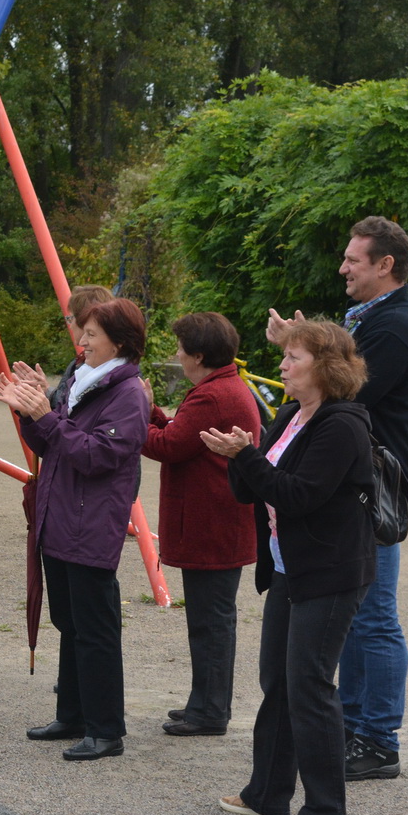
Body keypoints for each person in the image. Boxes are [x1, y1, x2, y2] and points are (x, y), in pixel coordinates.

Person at [202, 319, 374, 815]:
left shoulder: (342, 425)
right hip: (286, 565)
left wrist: (246, 456)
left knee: (309, 684)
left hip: (330, 572)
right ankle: (268, 793)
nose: (282, 364)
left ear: (325, 367)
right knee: (277, 679)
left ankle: (326, 812)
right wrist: (238, 454)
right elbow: (250, 491)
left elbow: (300, 495)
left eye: (293, 358)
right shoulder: (289, 415)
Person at [267, 217, 408, 780]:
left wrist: (301, 347)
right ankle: (358, 727)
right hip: (358, 486)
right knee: (361, 614)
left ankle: (378, 739)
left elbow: (344, 387)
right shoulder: (378, 320)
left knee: (375, 614)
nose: (343, 268)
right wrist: (302, 343)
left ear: (386, 265)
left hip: (375, 490)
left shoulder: (395, 328)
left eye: (354, 260)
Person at [0, 298, 150, 761]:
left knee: (95, 628)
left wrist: (44, 413)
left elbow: (96, 456)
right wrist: (28, 412)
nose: (81, 342)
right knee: (69, 621)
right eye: (83, 333)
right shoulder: (83, 381)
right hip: (60, 515)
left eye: (92, 335)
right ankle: (73, 715)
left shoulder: (128, 393)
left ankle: (106, 730)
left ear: (119, 342)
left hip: (90, 521)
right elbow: (51, 442)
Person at [142, 312, 261, 735]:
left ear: (198, 354)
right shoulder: (220, 388)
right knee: (211, 621)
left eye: (180, 348)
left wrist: (131, 417)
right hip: (219, 525)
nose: (176, 355)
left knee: (211, 624)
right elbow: (179, 434)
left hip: (212, 525)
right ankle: (204, 703)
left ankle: (210, 712)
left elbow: (169, 445)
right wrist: (152, 410)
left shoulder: (212, 395)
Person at [45, 285, 114, 408]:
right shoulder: (82, 361)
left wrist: (45, 394)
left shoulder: (101, 368)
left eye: (70, 318)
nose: (70, 325)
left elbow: (73, 414)